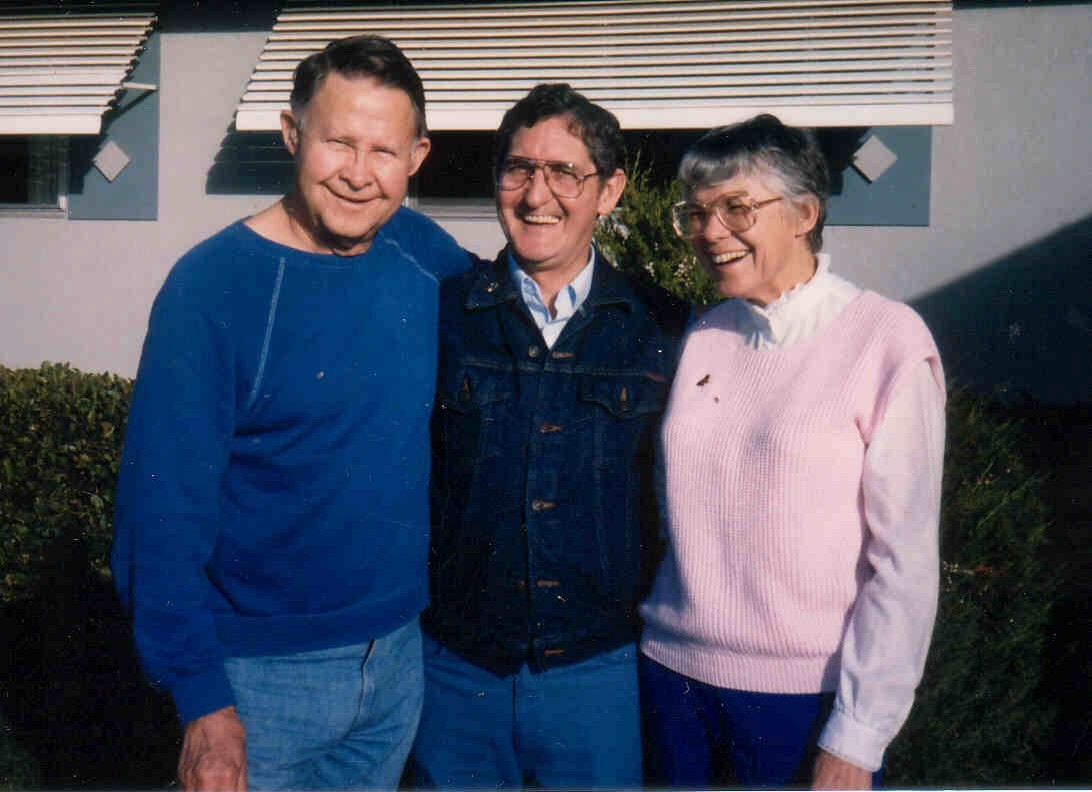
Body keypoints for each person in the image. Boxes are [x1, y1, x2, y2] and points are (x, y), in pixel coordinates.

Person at [111, 35, 470, 791]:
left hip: (399, 659)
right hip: (259, 682)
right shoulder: (211, 287)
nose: (359, 174)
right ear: (291, 133)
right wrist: (202, 702)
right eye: (338, 142)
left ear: (417, 157)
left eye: (383, 150)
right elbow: (159, 515)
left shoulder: (423, 255)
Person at [638, 114, 946, 789]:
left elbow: (905, 563)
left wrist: (859, 736)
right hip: (671, 680)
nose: (711, 231)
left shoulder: (886, 340)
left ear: (805, 214)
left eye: (736, 208)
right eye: (697, 213)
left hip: (802, 702)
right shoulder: (705, 336)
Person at [411, 83, 687, 789]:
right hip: (457, 674)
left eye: (565, 172)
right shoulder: (442, 317)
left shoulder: (663, 328)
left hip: (599, 677)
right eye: (519, 169)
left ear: (609, 191)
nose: (538, 196)